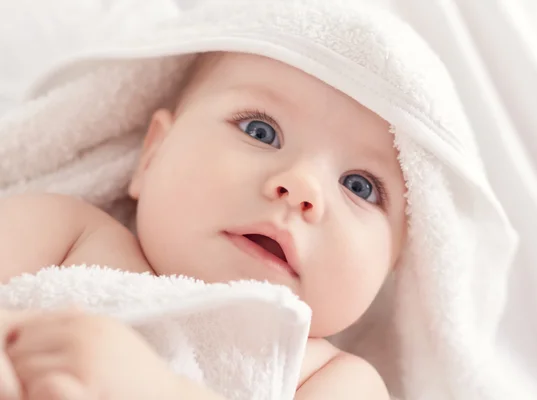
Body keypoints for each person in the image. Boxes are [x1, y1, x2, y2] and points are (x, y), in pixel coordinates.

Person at [0, 52, 405, 399]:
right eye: (260, 131)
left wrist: (159, 390)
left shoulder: (333, 379)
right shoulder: (68, 232)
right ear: (153, 153)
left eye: (360, 186)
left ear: (390, 266)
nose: (302, 186)